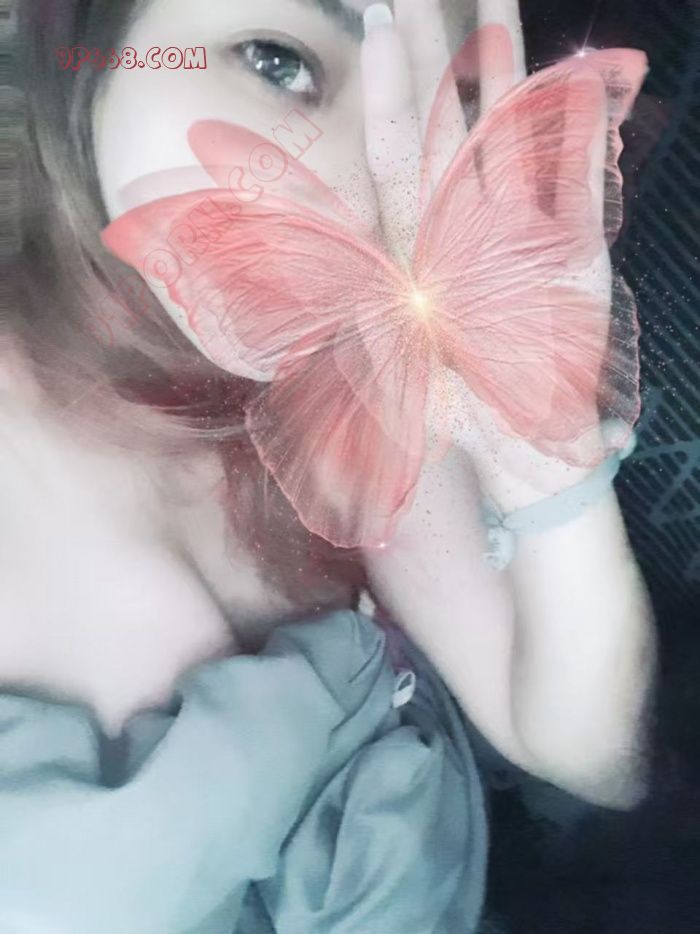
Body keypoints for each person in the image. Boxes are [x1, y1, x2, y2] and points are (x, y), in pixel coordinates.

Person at [0, 0, 656, 931]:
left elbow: (593, 756)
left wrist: (545, 465)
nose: (368, 195)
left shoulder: (361, 404)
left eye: (441, 115)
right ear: (89, 41)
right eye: (277, 62)